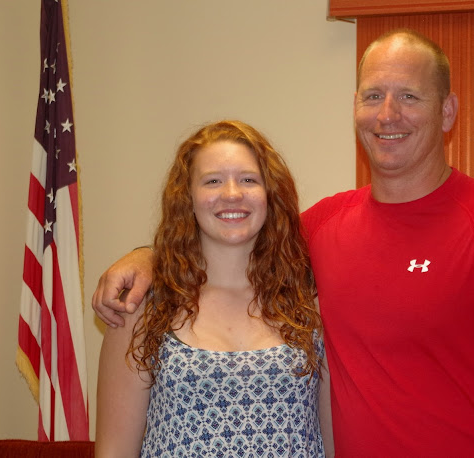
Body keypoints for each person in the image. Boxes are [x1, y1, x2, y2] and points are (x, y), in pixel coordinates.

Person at [92, 30, 474, 457]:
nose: (388, 114)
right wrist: (147, 257)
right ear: (355, 107)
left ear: (447, 111)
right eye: (372, 96)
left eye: (409, 96)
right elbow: (232, 233)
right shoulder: (321, 228)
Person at [95, 120, 333, 457]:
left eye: (248, 180)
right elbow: (114, 451)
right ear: (187, 198)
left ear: (270, 194)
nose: (232, 194)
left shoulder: (309, 305)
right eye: (213, 181)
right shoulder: (142, 307)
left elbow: (332, 443)